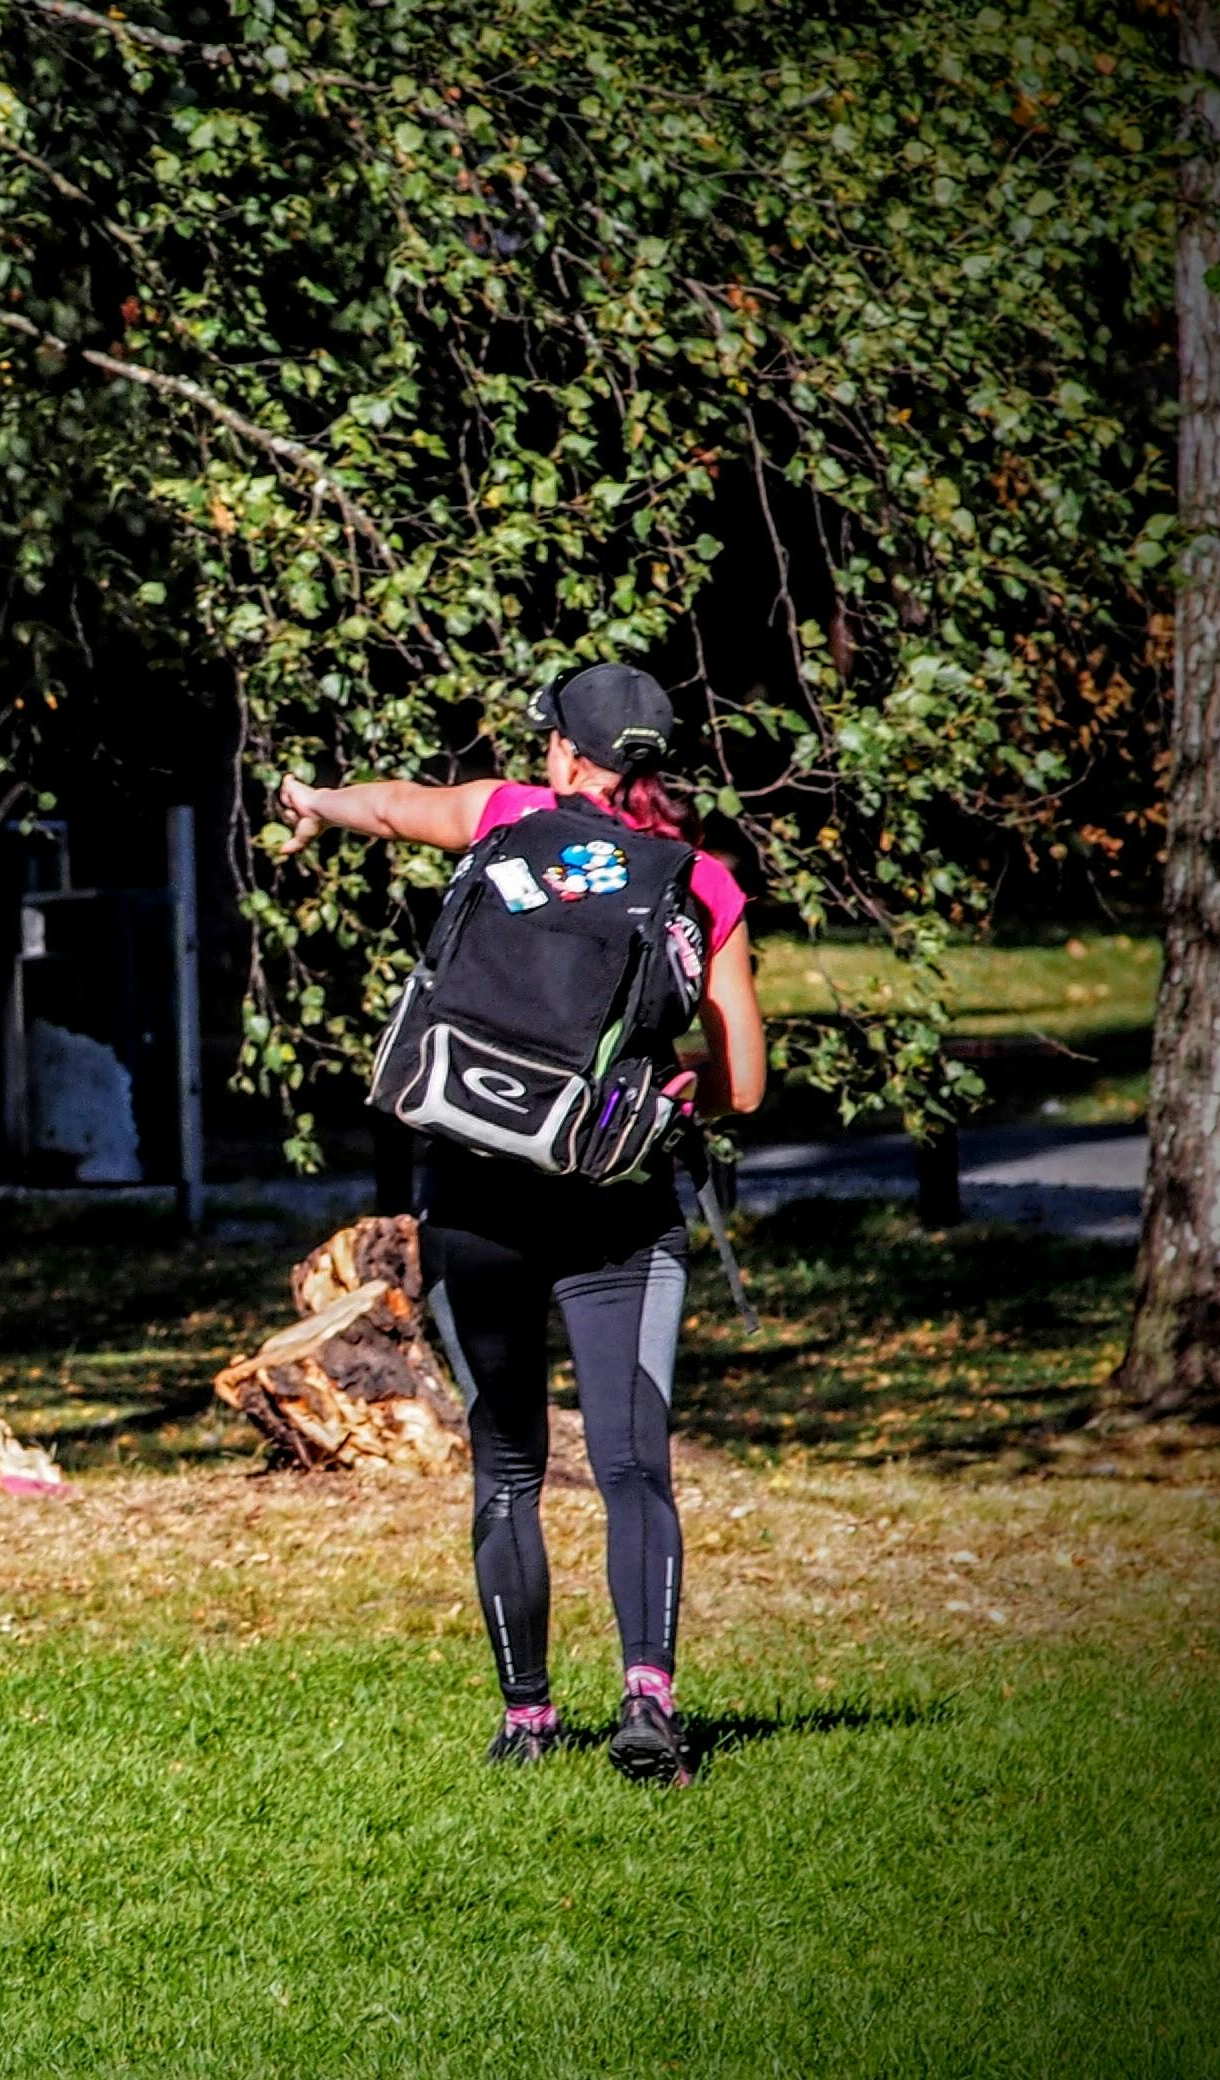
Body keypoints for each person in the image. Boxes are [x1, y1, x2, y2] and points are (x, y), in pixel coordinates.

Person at [273, 663, 765, 1785]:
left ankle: (528, 1718)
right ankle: (646, 1697)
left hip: (475, 1200)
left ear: (565, 758)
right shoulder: (700, 884)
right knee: (633, 1465)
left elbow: (399, 807)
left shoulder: (509, 818)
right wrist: (655, 1089)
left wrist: (314, 799)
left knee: (506, 1466)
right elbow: (744, 1080)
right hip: (617, 1216)